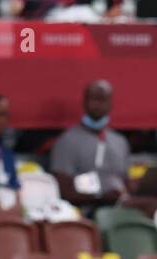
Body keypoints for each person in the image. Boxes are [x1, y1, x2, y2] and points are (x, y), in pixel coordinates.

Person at [49, 80, 132, 212]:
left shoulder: (120, 141)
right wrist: (100, 197)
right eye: (95, 99)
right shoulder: (67, 141)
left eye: (103, 100)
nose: (99, 105)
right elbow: (63, 188)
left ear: (111, 103)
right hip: (84, 209)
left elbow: (125, 182)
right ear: (85, 102)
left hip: (120, 208)